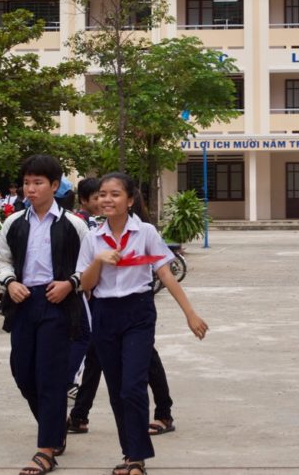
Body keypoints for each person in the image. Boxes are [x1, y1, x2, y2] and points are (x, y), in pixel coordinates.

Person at [78, 172, 208, 475]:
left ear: (131, 200)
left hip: (138, 312)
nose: (106, 199)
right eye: (102, 194)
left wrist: (190, 314)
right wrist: (99, 260)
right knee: (116, 390)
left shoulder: (145, 232)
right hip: (104, 313)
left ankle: (136, 457)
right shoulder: (92, 237)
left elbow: (165, 274)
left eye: (115, 194)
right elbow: (85, 284)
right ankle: (131, 455)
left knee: (132, 386)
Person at [0, 155, 90, 475]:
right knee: (22, 372)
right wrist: (10, 282)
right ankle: (56, 423)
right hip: (23, 302)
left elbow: (89, 265)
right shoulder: (14, 223)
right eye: (26, 183)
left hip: (58, 301)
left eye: (38, 183)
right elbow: (2, 259)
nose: (30, 189)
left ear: (54, 185)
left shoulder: (74, 224)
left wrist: (70, 284)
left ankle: (46, 449)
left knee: (50, 377)